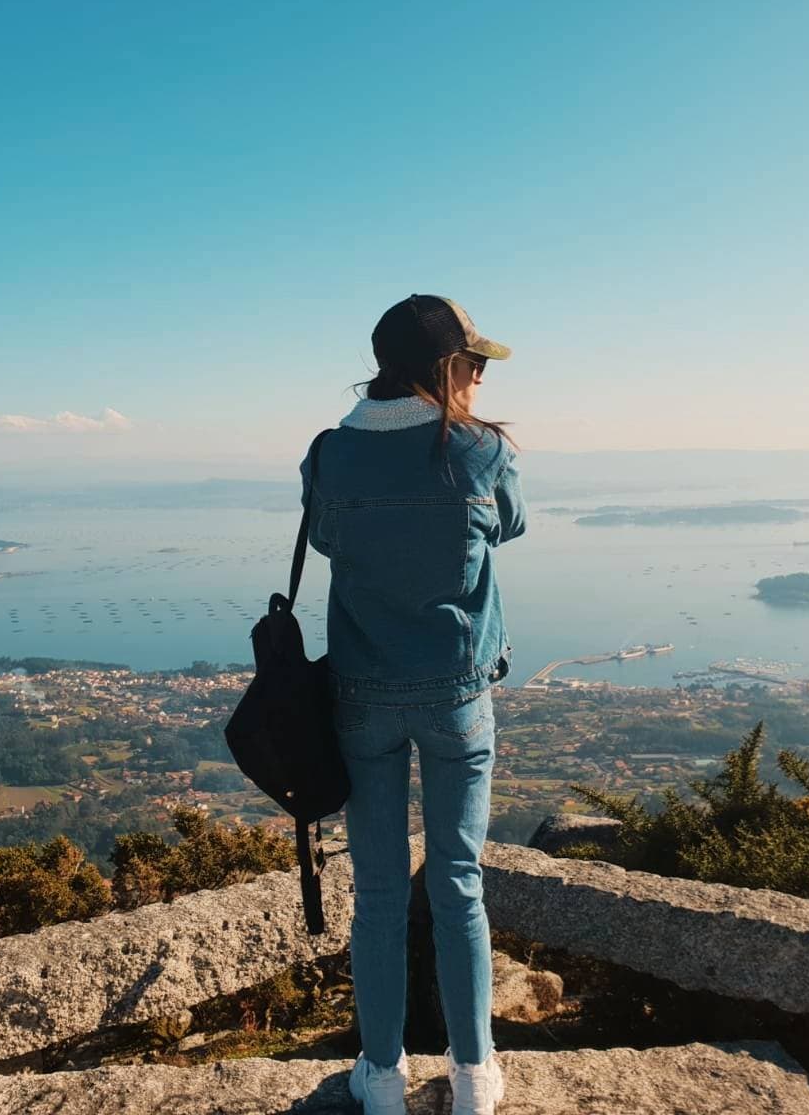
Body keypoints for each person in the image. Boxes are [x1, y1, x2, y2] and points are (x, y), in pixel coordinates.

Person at [299, 294, 526, 1115]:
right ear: (448, 367)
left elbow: (326, 539)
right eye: (473, 361)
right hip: (458, 690)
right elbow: (510, 527)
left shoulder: (329, 453)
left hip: (363, 693)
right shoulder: (480, 450)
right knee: (458, 882)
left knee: (380, 893)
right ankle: (474, 1079)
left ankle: (383, 1078)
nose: (478, 374)